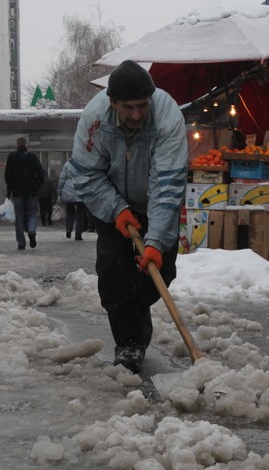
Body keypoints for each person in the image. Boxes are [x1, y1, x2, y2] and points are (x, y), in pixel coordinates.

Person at [68, 60, 188, 373]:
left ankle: (137, 316)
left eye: (142, 106)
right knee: (113, 277)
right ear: (113, 103)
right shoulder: (95, 119)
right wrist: (116, 209)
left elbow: (166, 184)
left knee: (157, 275)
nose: (136, 114)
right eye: (128, 107)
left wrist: (156, 241)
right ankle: (129, 344)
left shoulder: (167, 118)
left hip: (155, 204)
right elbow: (85, 174)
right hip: (111, 204)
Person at [4, 137, 45, 250]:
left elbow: (7, 176)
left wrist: (10, 189)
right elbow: (41, 174)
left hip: (17, 192)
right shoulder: (33, 157)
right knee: (32, 213)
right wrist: (36, 186)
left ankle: (21, 242)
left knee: (19, 216)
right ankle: (31, 231)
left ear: (17, 144)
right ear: (26, 144)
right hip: (31, 191)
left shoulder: (12, 157)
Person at [56, 160, 87, 241]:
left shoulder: (67, 164)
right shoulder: (85, 164)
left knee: (70, 211)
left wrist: (59, 191)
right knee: (81, 213)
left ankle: (69, 228)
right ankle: (78, 234)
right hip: (81, 190)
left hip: (68, 191)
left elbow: (62, 179)